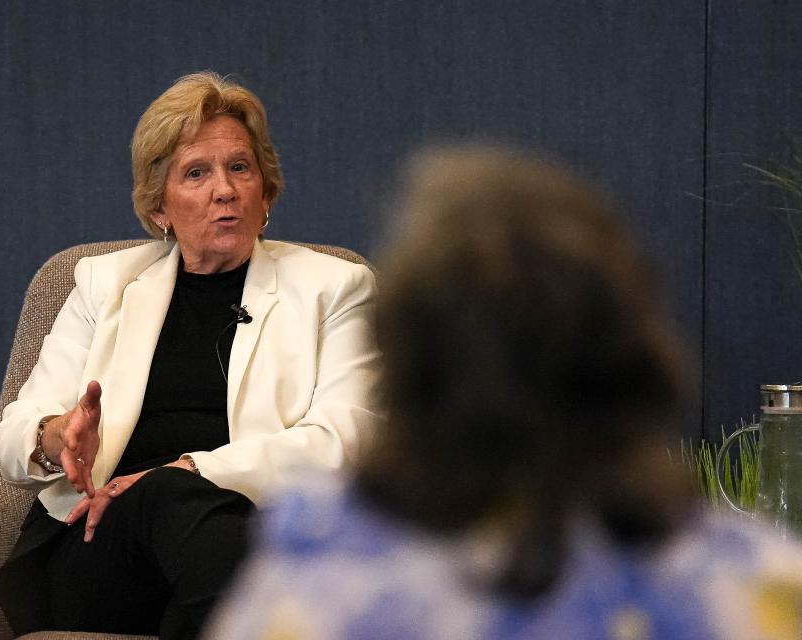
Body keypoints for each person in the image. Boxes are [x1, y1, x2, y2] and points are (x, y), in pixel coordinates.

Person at [205, 147, 802, 639]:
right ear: (638, 356)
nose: (224, 190)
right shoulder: (761, 588)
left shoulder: (310, 596)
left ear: (408, 370)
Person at [0, 71, 381, 637]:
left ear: (264, 191)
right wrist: (58, 437)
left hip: (251, 538)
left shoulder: (335, 288)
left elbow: (347, 442)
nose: (224, 190)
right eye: (196, 173)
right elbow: (13, 438)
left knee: (205, 534)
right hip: (103, 552)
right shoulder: (103, 285)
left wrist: (190, 469)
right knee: (183, 516)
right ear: (159, 209)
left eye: (240, 168)